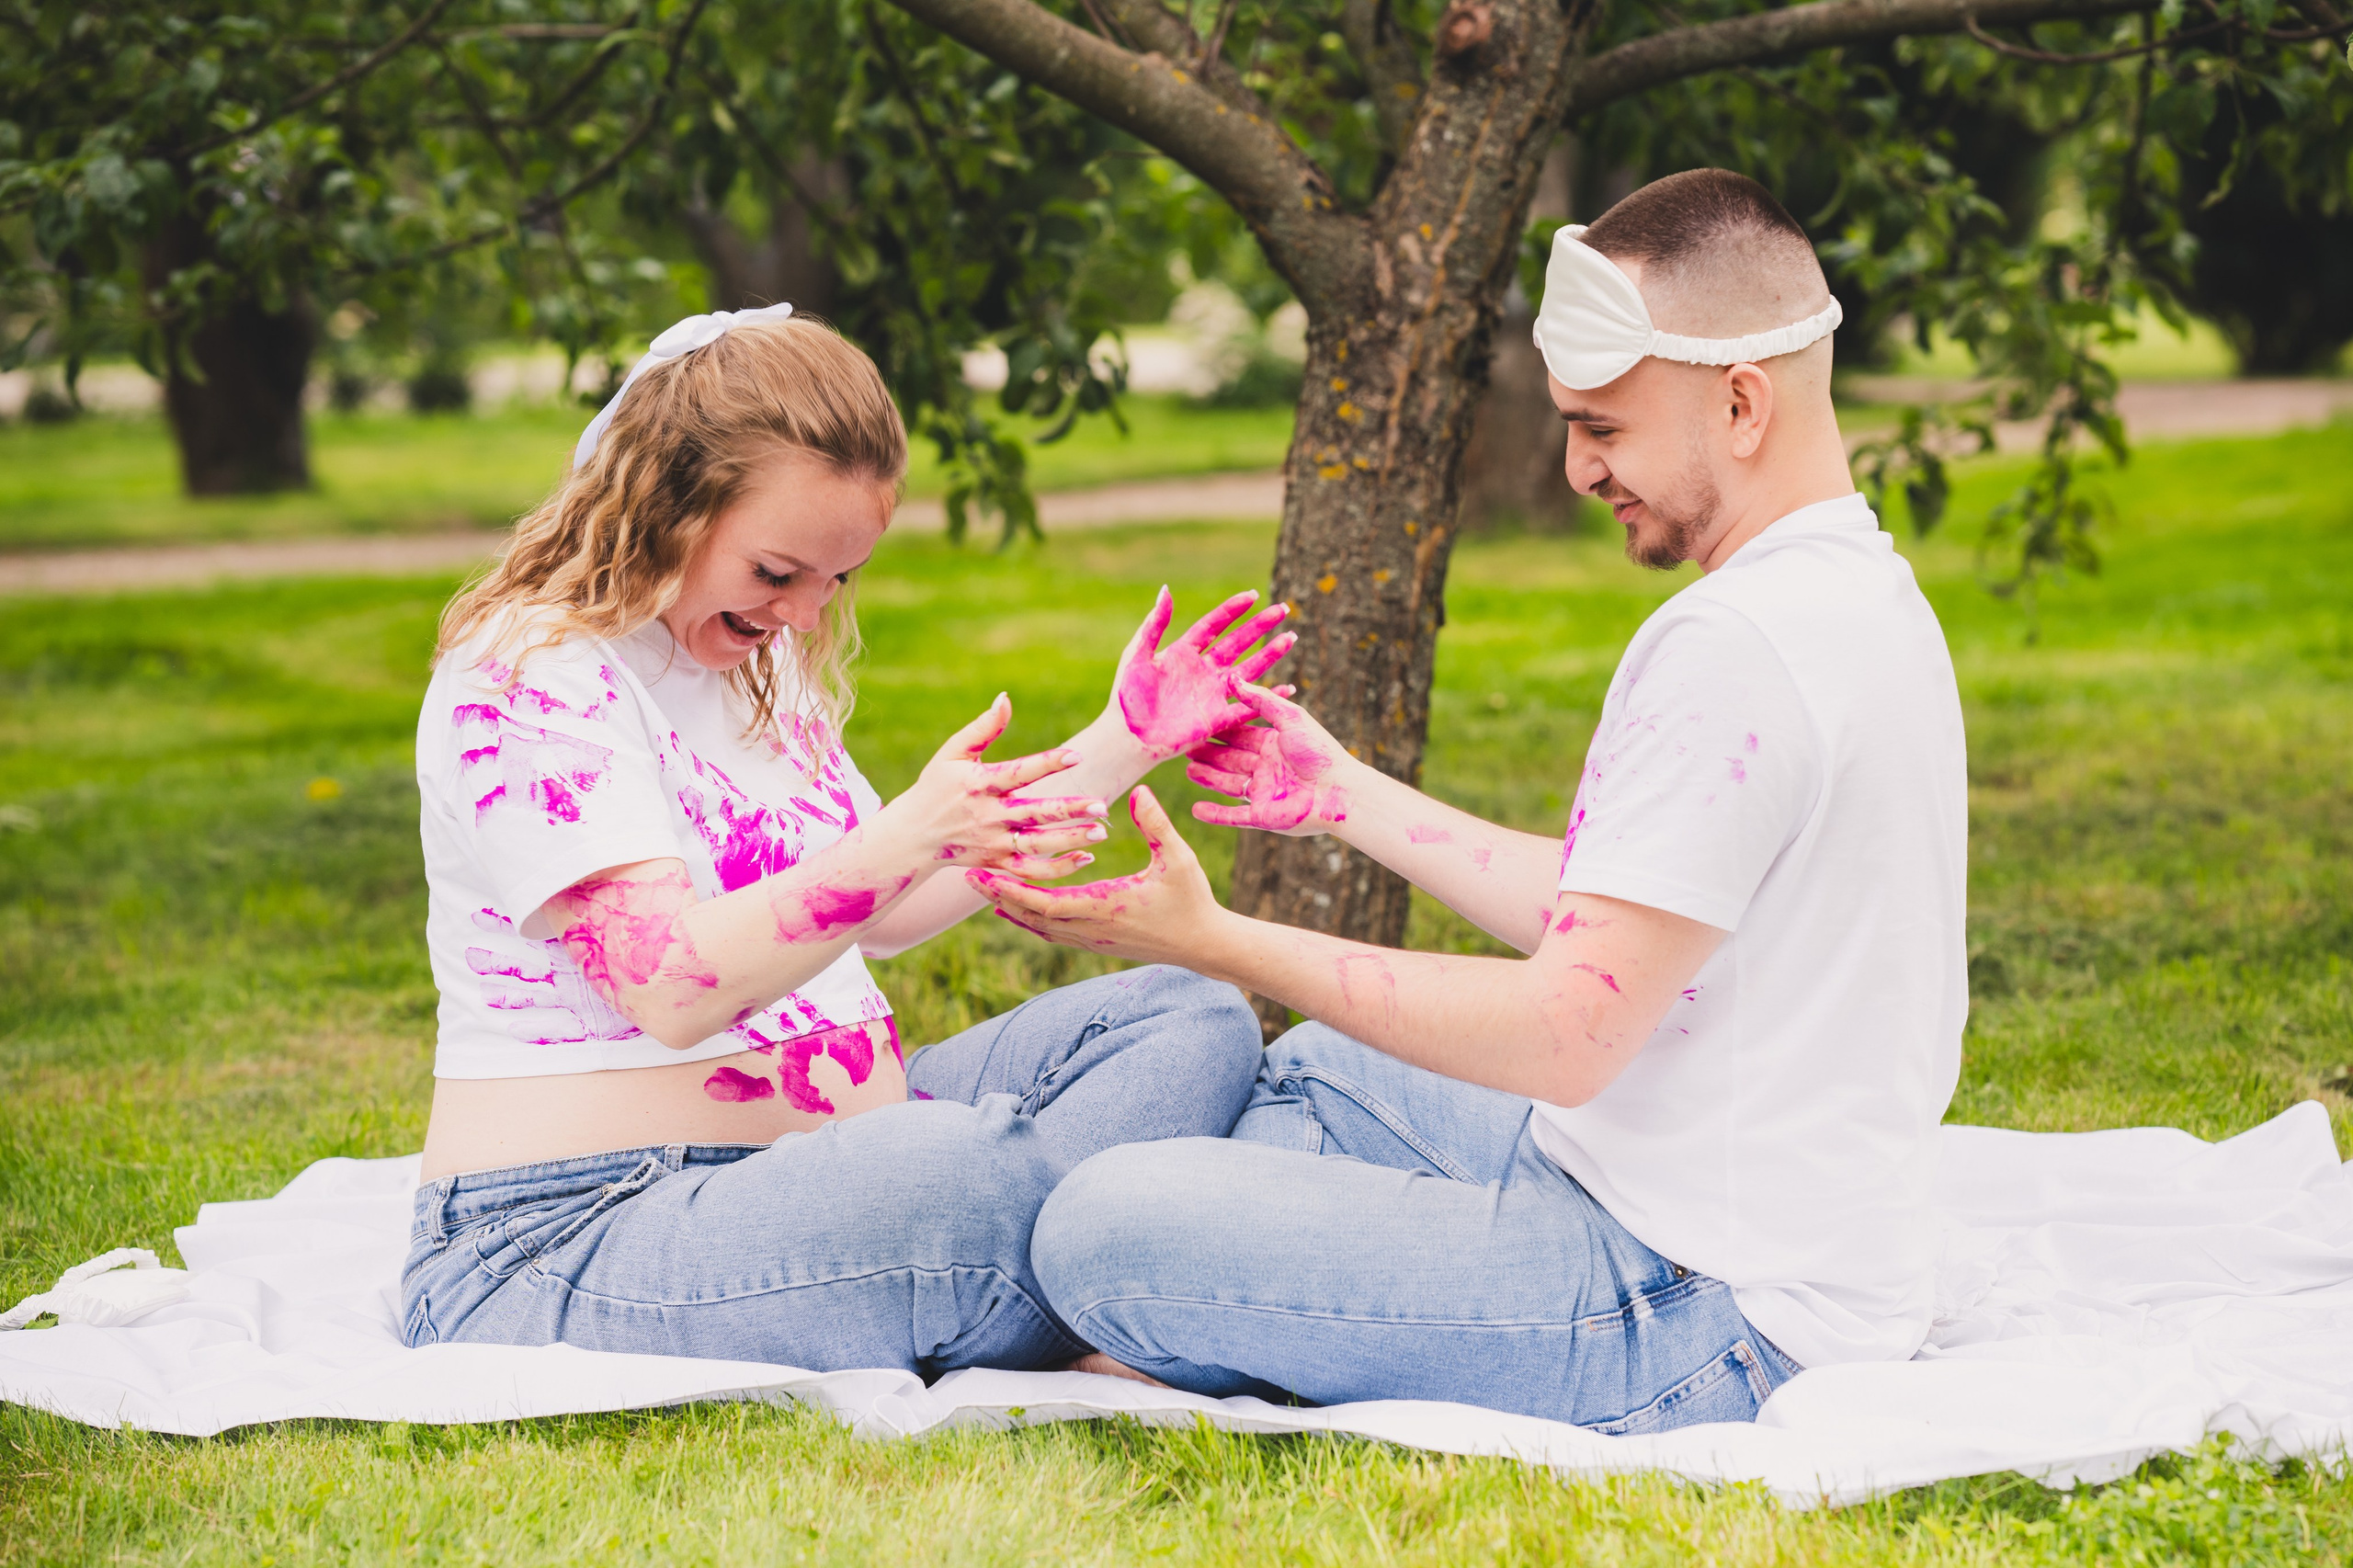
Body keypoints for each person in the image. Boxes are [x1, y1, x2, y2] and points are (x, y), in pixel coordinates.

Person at [972, 169, 1969, 1433]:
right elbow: (1616, 911)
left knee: (1101, 1231)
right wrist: (1337, 792)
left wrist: (1210, 940)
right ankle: (1243, 1307)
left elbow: (1566, 1031)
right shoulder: (1862, 592)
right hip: (1682, 1191)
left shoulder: (1737, 645)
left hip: (1709, 1307)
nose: (1574, 467)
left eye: (1603, 426)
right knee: (1319, 1079)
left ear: (1741, 401)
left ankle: (1204, 1315)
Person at [401, 304, 1290, 1377]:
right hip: (571, 1229)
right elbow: (667, 986)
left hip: (834, 1158)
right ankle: (1137, 1278)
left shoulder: (751, 665)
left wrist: (1122, 743)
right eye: (779, 573)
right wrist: (907, 831)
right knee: (947, 1173)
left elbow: (892, 906)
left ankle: (1068, 1275)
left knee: (1181, 1015)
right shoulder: (527, 675)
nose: (808, 615)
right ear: (665, 502)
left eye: (836, 579)